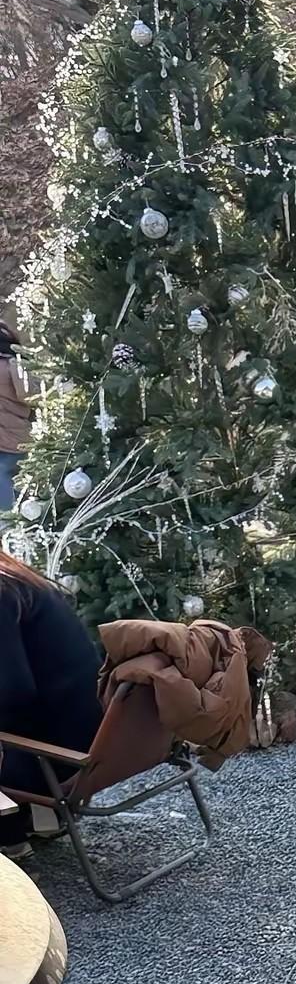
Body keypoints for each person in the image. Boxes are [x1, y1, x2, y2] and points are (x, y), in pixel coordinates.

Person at [0, 553, 104, 855]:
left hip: (56, 758)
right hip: (91, 739)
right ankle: (40, 820)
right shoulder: (16, 579)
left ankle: (9, 836)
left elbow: (13, 694)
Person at [0, 323, 34, 513]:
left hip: (9, 442)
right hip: (18, 438)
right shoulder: (16, 363)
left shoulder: (11, 364)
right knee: (19, 492)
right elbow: (30, 395)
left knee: (7, 499)